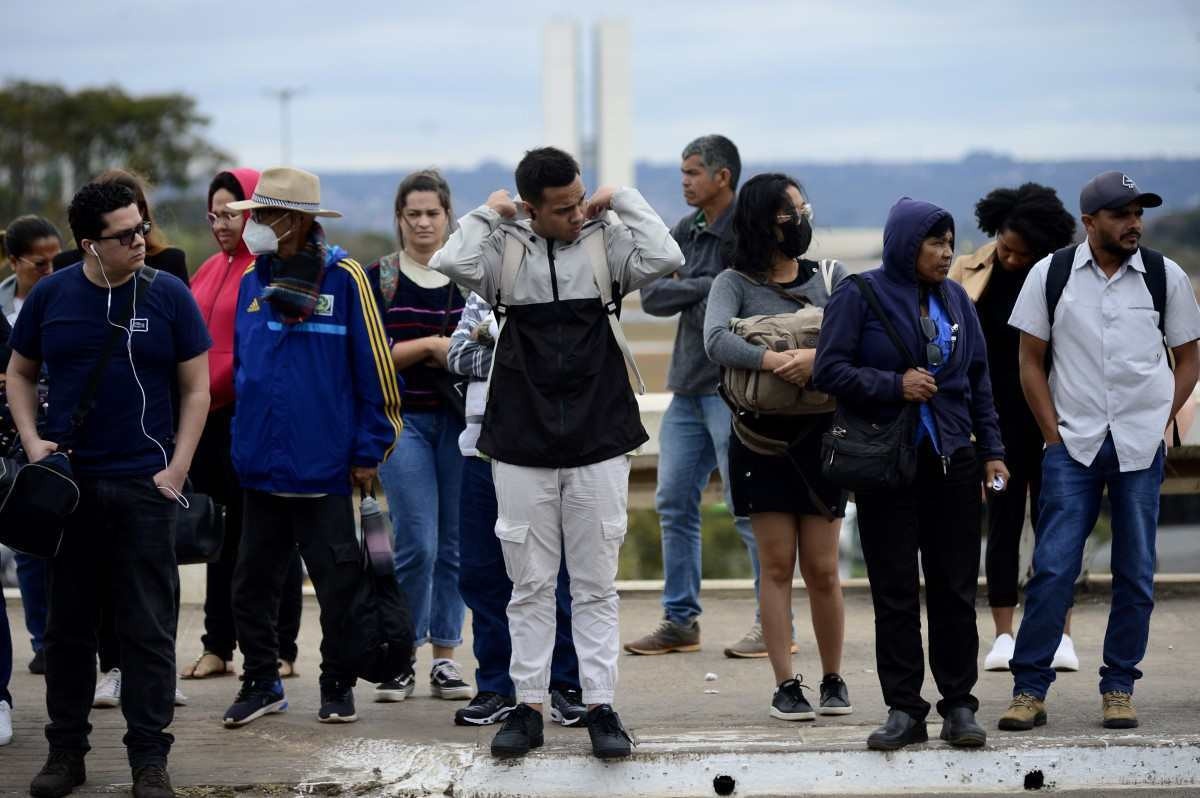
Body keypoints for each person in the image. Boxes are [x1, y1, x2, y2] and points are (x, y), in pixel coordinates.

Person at [431, 147, 684, 759]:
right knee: (530, 583)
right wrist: (489, 214)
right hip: (520, 435)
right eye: (563, 208)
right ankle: (528, 706)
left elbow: (667, 255)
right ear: (532, 209)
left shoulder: (605, 242)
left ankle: (600, 705)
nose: (575, 214)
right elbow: (449, 260)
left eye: (578, 202)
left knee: (596, 583)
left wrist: (619, 197)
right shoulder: (503, 248)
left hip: (600, 431)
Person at [7, 180, 212, 798]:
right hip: (69, 491)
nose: (141, 241)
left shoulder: (169, 294)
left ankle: (150, 759)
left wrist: (176, 470)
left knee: (147, 632)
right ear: (89, 244)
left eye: (142, 227)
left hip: (144, 488)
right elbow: (19, 373)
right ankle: (65, 754)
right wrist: (33, 441)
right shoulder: (53, 296)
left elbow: (197, 388)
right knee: (68, 631)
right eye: (125, 235)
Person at [999, 172, 1200, 732]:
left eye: (1138, 212)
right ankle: (1028, 689)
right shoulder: (1052, 273)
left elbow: (1189, 358)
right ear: (1090, 223)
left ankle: (1118, 686)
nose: (1133, 222)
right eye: (1120, 213)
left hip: (1141, 445)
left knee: (1136, 572)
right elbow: (1029, 361)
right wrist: (1051, 434)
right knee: (1053, 568)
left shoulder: (1165, 276)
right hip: (1073, 443)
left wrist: (1164, 419)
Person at [813, 197, 1008, 752]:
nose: (947, 254)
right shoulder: (860, 294)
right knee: (894, 591)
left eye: (950, 243)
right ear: (905, 243)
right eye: (934, 243)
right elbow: (829, 370)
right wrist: (893, 385)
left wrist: (992, 449)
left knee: (952, 589)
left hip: (953, 463)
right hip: (887, 466)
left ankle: (960, 706)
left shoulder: (957, 301)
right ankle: (904, 708)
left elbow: (978, 381)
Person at [219, 167, 402, 729]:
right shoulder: (254, 279)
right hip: (260, 467)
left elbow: (375, 373)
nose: (250, 225)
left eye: (260, 215)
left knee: (338, 584)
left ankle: (337, 682)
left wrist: (370, 450)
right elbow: (247, 370)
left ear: (292, 221)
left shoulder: (344, 279)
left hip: (325, 469)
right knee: (251, 582)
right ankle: (261, 681)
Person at [702, 174, 853, 721]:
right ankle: (786, 684)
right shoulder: (733, 282)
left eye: (804, 208)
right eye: (792, 211)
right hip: (759, 439)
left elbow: (856, 336)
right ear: (766, 220)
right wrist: (773, 361)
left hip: (822, 438)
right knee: (775, 566)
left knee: (823, 567)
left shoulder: (831, 277)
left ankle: (834, 679)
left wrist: (816, 361)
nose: (802, 219)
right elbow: (716, 339)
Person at [625, 134, 770, 659]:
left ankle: (775, 623)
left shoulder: (749, 230)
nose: (683, 181)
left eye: (691, 172)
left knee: (747, 509)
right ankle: (681, 621)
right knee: (673, 503)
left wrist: (700, 279)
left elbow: (750, 292)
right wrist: (709, 283)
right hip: (686, 387)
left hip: (732, 389)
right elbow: (654, 295)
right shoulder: (684, 231)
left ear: (721, 176)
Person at [948, 184, 1078, 674]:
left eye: (1023, 254)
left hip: (1053, 424)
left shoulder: (1058, 277)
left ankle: (1060, 635)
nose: (1011, 258)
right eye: (1005, 246)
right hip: (992, 430)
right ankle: (1003, 634)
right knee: (1001, 524)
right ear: (995, 230)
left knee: (1057, 528)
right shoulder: (966, 270)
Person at [182, 169, 304, 682]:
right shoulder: (209, 268)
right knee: (218, 537)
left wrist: (218, 386)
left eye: (231, 212)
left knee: (270, 538)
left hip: (253, 417)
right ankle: (217, 645)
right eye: (213, 214)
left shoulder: (269, 269)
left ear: (253, 211)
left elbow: (265, 349)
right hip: (208, 419)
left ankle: (281, 646)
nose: (221, 223)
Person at [446, 290, 587, 727]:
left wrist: (494, 339)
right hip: (480, 455)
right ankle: (496, 687)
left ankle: (565, 684)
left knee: (556, 575)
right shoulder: (481, 291)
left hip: (544, 455)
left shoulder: (568, 281)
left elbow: (564, 361)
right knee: (481, 574)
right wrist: (522, 348)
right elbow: (457, 356)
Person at [367, 170, 471, 702]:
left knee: (454, 542)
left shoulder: (469, 277)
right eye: (414, 214)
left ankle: (447, 657)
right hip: (401, 422)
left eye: (433, 213)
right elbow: (370, 356)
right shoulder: (378, 279)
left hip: (459, 423)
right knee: (417, 541)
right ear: (400, 218)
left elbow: (483, 346)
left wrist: (432, 348)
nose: (424, 222)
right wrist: (432, 344)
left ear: (449, 216)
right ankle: (401, 654)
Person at [1, 214, 62, 677]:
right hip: (10, 438)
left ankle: (73, 637)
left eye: (55, 261)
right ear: (15, 261)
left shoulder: (68, 295)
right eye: (39, 264)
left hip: (59, 431)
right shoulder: (1, 307)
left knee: (69, 541)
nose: (49, 271)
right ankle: (43, 641)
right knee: (26, 545)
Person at [52, 170, 189, 285]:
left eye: (140, 228)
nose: (138, 241)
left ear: (141, 210)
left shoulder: (169, 262)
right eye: (123, 234)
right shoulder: (65, 265)